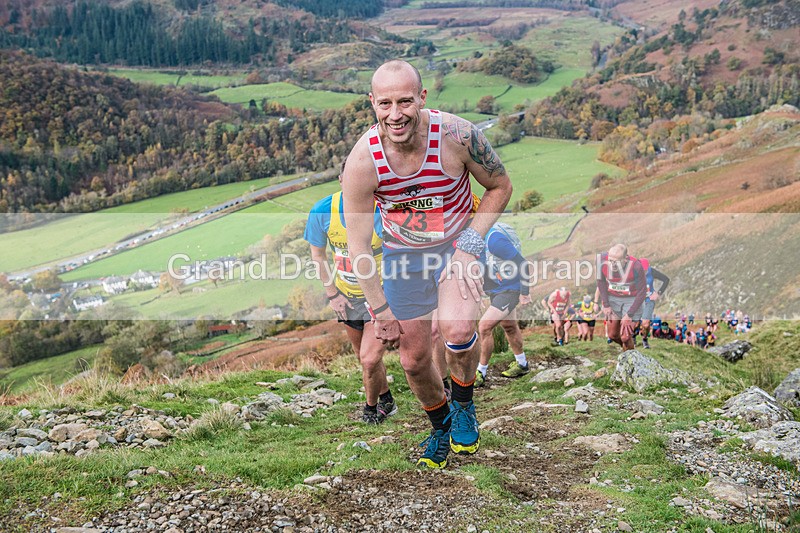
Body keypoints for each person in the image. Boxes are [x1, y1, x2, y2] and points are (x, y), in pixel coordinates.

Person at [342, 60, 512, 469]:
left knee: (458, 330)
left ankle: (464, 404)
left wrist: (469, 245)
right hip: (404, 256)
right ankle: (440, 426)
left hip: (457, 245)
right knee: (413, 361)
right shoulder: (363, 162)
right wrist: (379, 310)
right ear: (372, 102)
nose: (395, 114)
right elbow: (358, 243)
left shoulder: (457, 136)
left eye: (405, 101)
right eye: (385, 103)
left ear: (422, 97)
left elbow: (500, 186)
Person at [304, 174, 397, 425]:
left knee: (369, 358)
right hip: (347, 296)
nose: (358, 184)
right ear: (341, 180)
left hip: (381, 295)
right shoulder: (323, 210)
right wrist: (333, 294)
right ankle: (386, 398)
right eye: (352, 178)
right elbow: (318, 255)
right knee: (362, 356)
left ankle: (371, 409)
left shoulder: (383, 209)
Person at [475, 222, 532, 387]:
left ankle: (480, 372)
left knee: (484, 327)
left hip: (509, 290)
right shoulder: (475, 240)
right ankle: (522, 364)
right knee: (509, 326)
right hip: (497, 288)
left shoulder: (494, 241)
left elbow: (523, 264)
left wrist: (524, 292)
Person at [597, 244, 648, 350]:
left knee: (625, 337)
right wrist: (606, 304)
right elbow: (601, 281)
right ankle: (627, 350)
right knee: (613, 335)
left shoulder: (636, 266)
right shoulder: (601, 261)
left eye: (616, 262)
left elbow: (642, 292)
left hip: (632, 299)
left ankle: (630, 357)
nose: (612, 265)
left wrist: (629, 315)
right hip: (613, 297)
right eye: (610, 261)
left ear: (625, 259)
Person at [636, 258, 670, 349]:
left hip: (649, 300)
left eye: (646, 270)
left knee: (646, 324)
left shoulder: (652, 271)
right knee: (635, 323)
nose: (644, 272)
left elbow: (666, 279)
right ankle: (633, 337)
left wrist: (658, 293)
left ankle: (644, 339)